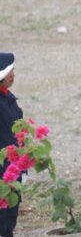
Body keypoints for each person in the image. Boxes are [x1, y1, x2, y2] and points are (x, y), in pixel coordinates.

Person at [0, 52, 23, 237]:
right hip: (4, 169)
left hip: (14, 167)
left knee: (10, 213)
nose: (13, 74)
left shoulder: (7, 97)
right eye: (10, 71)